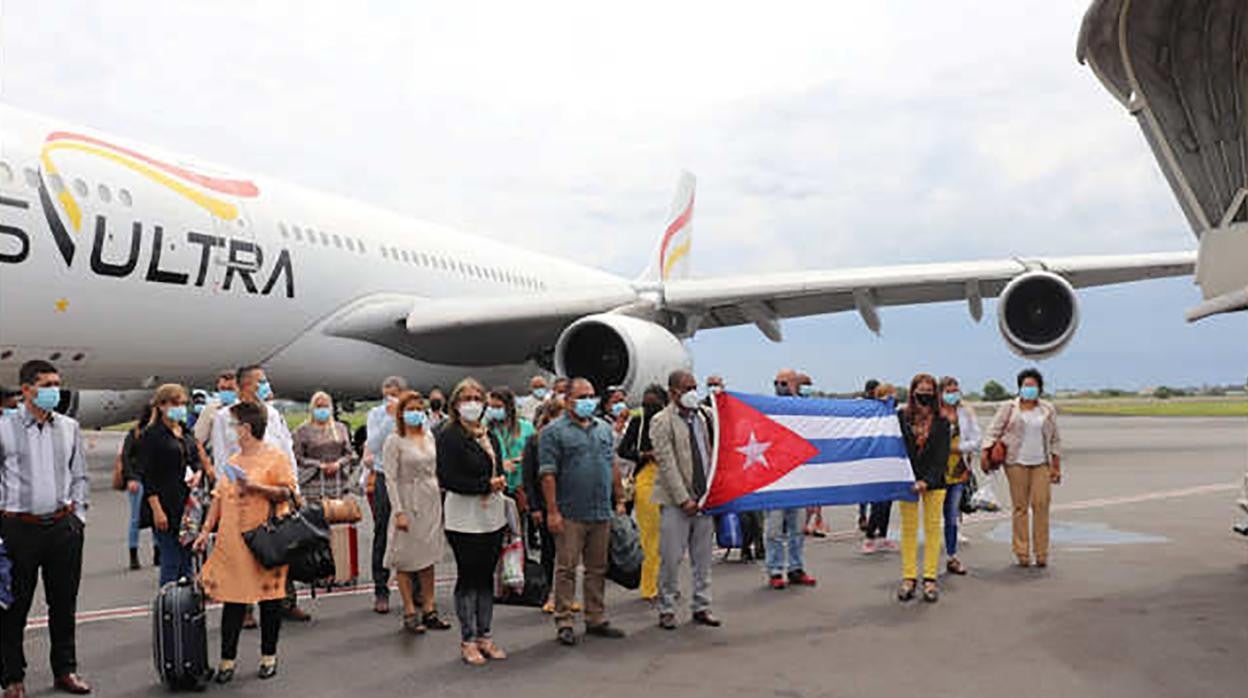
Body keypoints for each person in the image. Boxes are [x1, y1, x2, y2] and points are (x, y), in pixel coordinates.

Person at [0, 360, 92, 697]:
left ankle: (65, 670)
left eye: (57, 383)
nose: (55, 390)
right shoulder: (4, 428)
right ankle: (12, 676)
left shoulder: (69, 427)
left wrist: (78, 518)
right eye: (47, 384)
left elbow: (79, 475)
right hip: (17, 528)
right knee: (13, 607)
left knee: (64, 604)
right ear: (26, 390)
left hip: (62, 528)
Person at [193, 402, 297, 684]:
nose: (231, 430)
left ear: (246, 429)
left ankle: (268, 656)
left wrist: (256, 487)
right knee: (233, 601)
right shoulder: (234, 460)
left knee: (269, 600)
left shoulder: (274, 457)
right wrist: (205, 530)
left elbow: (287, 492)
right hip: (234, 541)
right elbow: (218, 498)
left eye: (234, 425)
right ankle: (227, 660)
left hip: (265, 540)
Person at [209, 365, 303, 623]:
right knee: (244, 552)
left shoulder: (272, 414)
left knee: (280, 546)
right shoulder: (225, 418)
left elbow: (286, 450)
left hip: (275, 492)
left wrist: (294, 488)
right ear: (244, 386)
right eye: (260, 381)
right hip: (245, 494)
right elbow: (222, 460)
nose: (265, 385)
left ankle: (285, 601)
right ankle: (246, 608)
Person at [539, 378, 628, 646]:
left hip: (600, 510)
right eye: (582, 397)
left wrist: (620, 497)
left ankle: (595, 617)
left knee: (597, 568)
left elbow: (612, 463)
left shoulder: (603, 429)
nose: (588, 401)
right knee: (566, 568)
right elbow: (547, 474)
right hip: (570, 512)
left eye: (591, 396)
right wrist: (552, 511)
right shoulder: (553, 432)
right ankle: (564, 620)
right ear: (568, 401)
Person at [436, 378, 509, 665]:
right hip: (464, 518)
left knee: (486, 577)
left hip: (492, 515)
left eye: (477, 398)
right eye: (466, 398)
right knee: (469, 577)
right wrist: (485, 485)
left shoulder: (488, 434)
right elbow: (448, 478)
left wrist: (499, 480)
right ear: (455, 404)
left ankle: (485, 635)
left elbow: (497, 466)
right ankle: (467, 639)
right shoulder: (449, 436)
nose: (473, 404)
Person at [650, 370, 721, 630]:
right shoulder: (662, 421)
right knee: (671, 558)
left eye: (694, 387)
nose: (692, 392)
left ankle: (702, 605)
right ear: (673, 392)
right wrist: (683, 499)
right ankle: (667, 607)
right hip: (676, 502)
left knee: (703, 559)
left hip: (704, 499)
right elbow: (666, 463)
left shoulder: (704, 416)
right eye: (687, 388)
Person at [383, 391, 451, 634]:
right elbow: (390, 479)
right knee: (406, 557)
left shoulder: (428, 436)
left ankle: (429, 608)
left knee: (428, 557)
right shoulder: (394, 440)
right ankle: (410, 610)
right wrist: (398, 511)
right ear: (401, 413)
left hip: (430, 499)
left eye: (419, 409)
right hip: (407, 499)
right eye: (410, 409)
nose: (416, 413)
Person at [983, 368, 1062, 568]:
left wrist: (1056, 465)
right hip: (1016, 462)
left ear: (1040, 388)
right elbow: (992, 431)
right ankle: (1022, 551)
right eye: (1026, 385)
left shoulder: (1047, 409)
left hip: (1041, 463)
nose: (1029, 389)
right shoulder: (1009, 407)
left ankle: (1041, 552)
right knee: (1020, 507)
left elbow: (1055, 439)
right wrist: (986, 453)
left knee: (1041, 505)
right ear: (1019, 387)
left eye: (1033, 385)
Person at [139, 384, 206, 586]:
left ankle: (187, 601)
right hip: (165, 504)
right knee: (170, 561)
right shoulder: (152, 435)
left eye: (183, 404)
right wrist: (157, 510)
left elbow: (195, 459)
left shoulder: (185, 431)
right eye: (175, 404)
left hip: (188, 504)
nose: (180, 408)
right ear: (161, 406)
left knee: (188, 560)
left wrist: (198, 473)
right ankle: (168, 600)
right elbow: (147, 475)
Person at [897, 374, 951, 604]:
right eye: (921, 390)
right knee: (908, 529)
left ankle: (930, 578)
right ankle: (909, 577)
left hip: (934, 482)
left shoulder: (942, 421)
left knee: (932, 529)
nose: (925, 394)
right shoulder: (901, 417)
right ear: (912, 392)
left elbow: (942, 456)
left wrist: (927, 481)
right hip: (907, 481)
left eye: (929, 391)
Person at [765, 369, 817, 589]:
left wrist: (797, 389)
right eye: (776, 383)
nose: (779, 387)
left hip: (799, 478)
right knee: (774, 529)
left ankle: (796, 568)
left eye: (784, 383)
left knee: (797, 529)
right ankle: (775, 570)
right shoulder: (769, 408)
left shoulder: (803, 408)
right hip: (775, 479)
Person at [617, 384, 667, 600]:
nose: (649, 408)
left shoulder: (669, 421)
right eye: (646, 404)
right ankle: (649, 586)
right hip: (646, 476)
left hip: (670, 477)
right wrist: (644, 455)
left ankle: (666, 583)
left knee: (670, 537)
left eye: (653, 403)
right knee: (650, 534)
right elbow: (623, 450)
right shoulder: (639, 421)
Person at [362, 376, 406, 615]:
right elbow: (374, 444)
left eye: (395, 394)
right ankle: (381, 589)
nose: (390, 398)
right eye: (387, 394)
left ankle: (415, 587)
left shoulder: (413, 412)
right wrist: (390, 417)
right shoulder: (376, 414)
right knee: (382, 531)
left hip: (407, 477)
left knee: (410, 530)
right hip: (383, 475)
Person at [524, 401, 565, 612]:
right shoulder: (534, 441)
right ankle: (548, 593)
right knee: (548, 550)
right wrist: (535, 507)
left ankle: (564, 594)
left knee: (567, 553)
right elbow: (529, 477)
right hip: (544, 502)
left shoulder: (567, 439)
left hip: (567, 502)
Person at [938, 376, 981, 575]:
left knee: (951, 516)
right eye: (948, 391)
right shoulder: (933, 412)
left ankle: (952, 556)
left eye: (955, 390)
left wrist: (958, 448)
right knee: (933, 517)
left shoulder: (965, 412)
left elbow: (977, 440)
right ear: (940, 393)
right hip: (936, 471)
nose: (953, 394)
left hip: (958, 470)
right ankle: (930, 561)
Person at [292, 391, 355, 497]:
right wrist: (319, 465)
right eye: (319, 406)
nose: (322, 410)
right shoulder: (302, 430)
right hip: (312, 482)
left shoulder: (340, 428)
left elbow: (348, 453)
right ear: (312, 408)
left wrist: (338, 464)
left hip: (337, 481)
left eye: (325, 406)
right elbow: (297, 457)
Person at [862, 383, 899, 554]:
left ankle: (883, 536)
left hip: (891, 463)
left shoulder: (895, 415)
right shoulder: (873, 415)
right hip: (875, 464)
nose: (892, 398)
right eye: (888, 395)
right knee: (878, 504)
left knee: (887, 503)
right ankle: (869, 537)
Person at [487, 388, 534, 513]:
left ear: (509, 407)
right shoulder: (486, 429)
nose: (493, 410)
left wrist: (524, 458)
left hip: (522, 487)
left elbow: (535, 455)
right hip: (497, 488)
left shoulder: (527, 427)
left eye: (498, 407)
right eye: (491, 407)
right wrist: (501, 464)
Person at [120, 405, 155, 571]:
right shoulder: (135, 433)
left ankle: (157, 552)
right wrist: (130, 478)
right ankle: (133, 554)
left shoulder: (157, 433)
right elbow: (125, 456)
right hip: (139, 480)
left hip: (154, 479)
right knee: (136, 518)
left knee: (156, 516)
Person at [194, 370, 239, 447]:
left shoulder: (247, 407)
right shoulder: (210, 409)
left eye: (230, 389)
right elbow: (199, 438)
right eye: (223, 388)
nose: (226, 392)